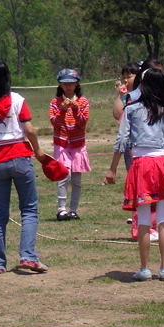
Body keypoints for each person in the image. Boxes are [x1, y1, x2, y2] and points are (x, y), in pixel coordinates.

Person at [0, 60, 46, 274]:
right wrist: (38, 151)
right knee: (29, 209)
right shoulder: (17, 100)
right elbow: (30, 130)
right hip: (21, 156)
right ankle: (27, 256)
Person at [105, 67, 164, 280]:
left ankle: (144, 268)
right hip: (162, 164)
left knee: (143, 219)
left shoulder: (132, 109)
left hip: (141, 165)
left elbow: (121, 139)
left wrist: (112, 168)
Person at [50, 68, 90, 221]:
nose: (68, 87)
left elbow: (82, 123)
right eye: (65, 83)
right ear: (60, 85)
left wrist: (75, 110)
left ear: (76, 84)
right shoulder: (55, 102)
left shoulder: (83, 101)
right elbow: (54, 123)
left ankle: (73, 209)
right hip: (61, 143)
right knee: (63, 175)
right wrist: (62, 110)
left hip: (78, 143)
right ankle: (61, 209)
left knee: (76, 179)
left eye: (71, 83)